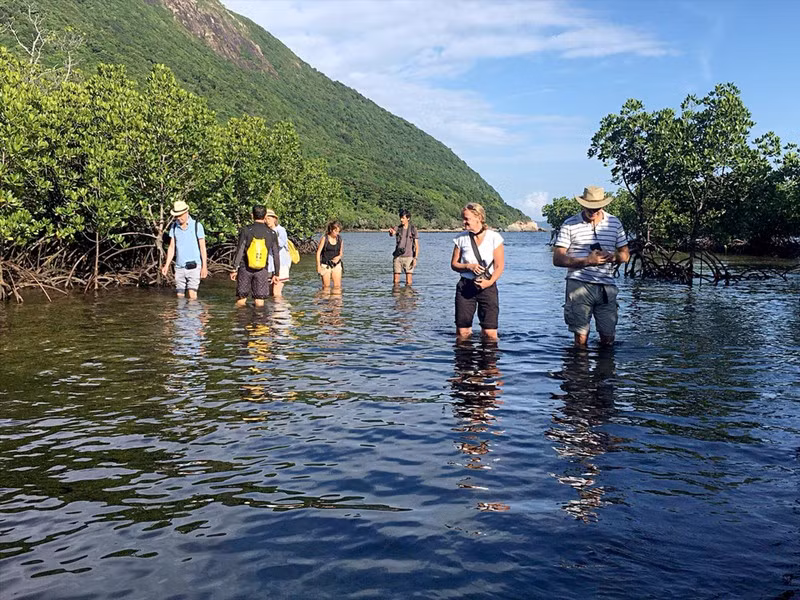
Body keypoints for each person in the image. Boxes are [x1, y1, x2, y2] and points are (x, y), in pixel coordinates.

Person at [553, 185, 630, 347]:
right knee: (580, 339)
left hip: (606, 287)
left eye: (597, 207)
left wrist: (614, 257)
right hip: (579, 285)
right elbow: (558, 259)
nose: (593, 211)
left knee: (608, 338)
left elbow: (625, 255)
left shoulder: (614, 223)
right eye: (589, 207)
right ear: (582, 204)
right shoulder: (569, 224)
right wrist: (587, 261)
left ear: (603, 205)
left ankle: (604, 372)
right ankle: (579, 371)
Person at [450, 203, 505, 341]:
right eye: (463, 218)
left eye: (466, 218)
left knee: (490, 334)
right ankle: (463, 362)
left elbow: (499, 266)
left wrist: (489, 282)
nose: (463, 222)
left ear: (478, 217)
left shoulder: (494, 238)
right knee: (463, 333)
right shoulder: (460, 238)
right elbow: (454, 264)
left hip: (488, 286)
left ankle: (488, 361)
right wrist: (469, 266)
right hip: (465, 287)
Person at [230, 205, 280, 307]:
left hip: (245, 268)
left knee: (241, 298)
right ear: (265, 216)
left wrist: (234, 269)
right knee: (259, 300)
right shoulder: (271, 233)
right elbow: (276, 254)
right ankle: (259, 321)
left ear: (252, 215)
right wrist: (276, 273)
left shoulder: (246, 230)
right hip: (262, 270)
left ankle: (241, 320)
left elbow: (240, 250)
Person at [161, 200, 208, 299]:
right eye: (176, 216)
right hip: (179, 267)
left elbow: (202, 248)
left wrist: (204, 267)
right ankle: (182, 315)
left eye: (180, 215)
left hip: (194, 267)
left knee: (192, 295)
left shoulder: (197, 226)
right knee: (180, 296)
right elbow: (171, 247)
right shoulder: (174, 227)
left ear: (186, 212)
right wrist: (166, 265)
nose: (179, 218)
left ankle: (193, 314)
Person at [388, 209, 420, 285]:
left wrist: (415, 258)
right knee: (396, 280)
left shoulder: (413, 229)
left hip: (409, 257)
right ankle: (396, 295)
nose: (401, 220)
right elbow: (393, 233)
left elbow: (416, 245)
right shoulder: (398, 228)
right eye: (400, 218)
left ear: (408, 218)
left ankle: (408, 295)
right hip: (398, 257)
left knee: (409, 281)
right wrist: (391, 232)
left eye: (403, 218)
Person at [265, 208, 290, 297]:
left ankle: (281, 310)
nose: (267, 221)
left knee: (276, 293)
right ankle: (273, 310)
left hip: (281, 265)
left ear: (274, 219)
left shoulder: (280, 230)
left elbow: (280, 243)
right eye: (265, 219)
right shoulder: (265, 231)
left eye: (269, 219)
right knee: (270, 293)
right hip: (269, 265)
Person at [316, 220, 343, 290]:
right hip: (325, 265)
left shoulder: (340, 239)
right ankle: (324, 300)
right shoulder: (325, 239)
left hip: (336, 264)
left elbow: (341, 253)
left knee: (337, 286)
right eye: (336, 231)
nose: (337, 233)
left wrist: (339, 257)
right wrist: (318, 266)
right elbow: (318, 253)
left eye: (338, 231)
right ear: (331, 230)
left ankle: (336, 300)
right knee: (326, 287)